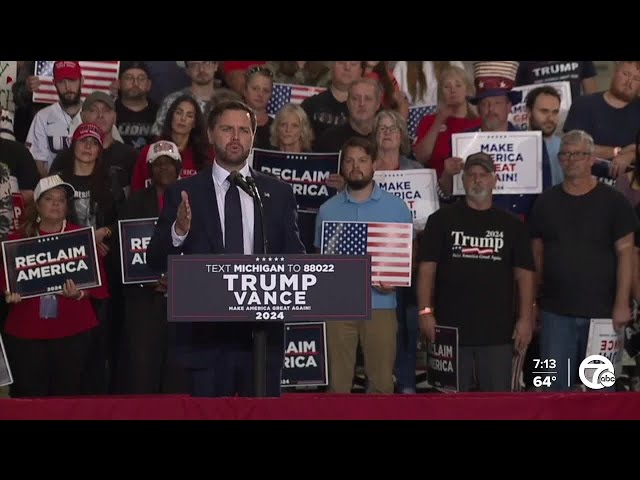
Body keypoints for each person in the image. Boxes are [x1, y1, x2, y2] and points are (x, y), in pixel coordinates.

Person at [146, 100, 305, 397]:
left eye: (244, 130)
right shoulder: (185, 192)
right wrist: (179, 231)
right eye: (227, 129)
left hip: (261, 340)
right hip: (204, 341)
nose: (235, 137)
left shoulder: (278, 194)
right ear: (210, 134)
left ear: (253, 137)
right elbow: (154, 258)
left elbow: (295, 259)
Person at [417, 152, 535, 392]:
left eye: (483, 175)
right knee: (450, 407)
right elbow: (427, 269)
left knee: (497, 406)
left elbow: (525, 276)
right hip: (449, 333)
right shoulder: (440, 221)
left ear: (494, 180)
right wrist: (425, 311)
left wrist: (525, 319)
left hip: (498, 334)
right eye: (471, 175)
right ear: (463, 180)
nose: (477, 180)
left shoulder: (513, 225)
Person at [1, 175, 108, 397]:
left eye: (61, 199)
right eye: (49, 199)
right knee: (29, 396)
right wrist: (9, 294)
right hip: (27, 331)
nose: (56, 204)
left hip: (73, 330)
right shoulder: (17, 240)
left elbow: (98, 288)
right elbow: (5, 284)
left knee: (68, 396)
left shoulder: (81, 237)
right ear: (37, 205)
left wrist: (79, 294)